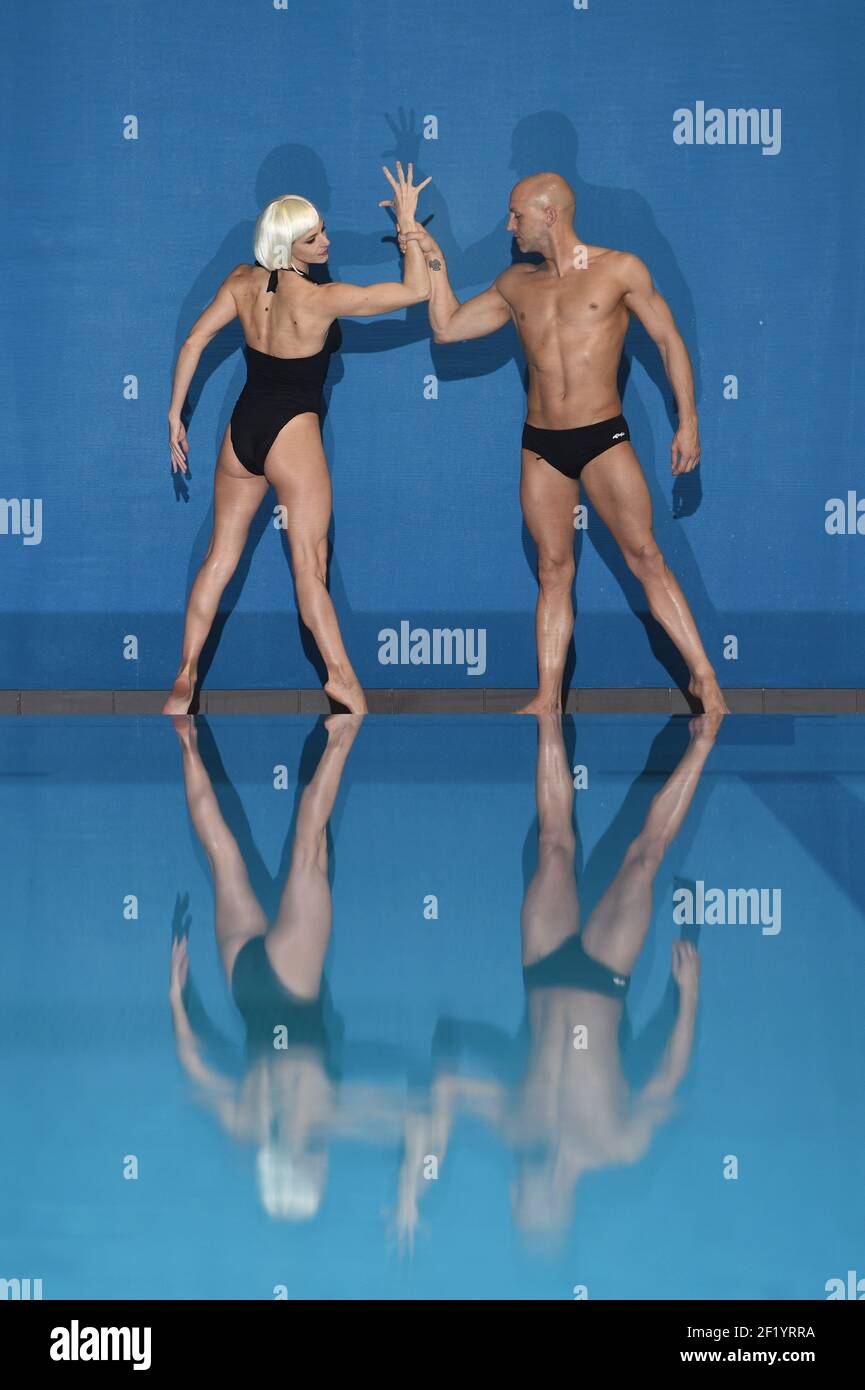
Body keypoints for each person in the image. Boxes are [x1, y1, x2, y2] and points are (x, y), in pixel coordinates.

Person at [400, 173, 729, 715]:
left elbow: (670, 341)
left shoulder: (620, 270)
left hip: (602, 436)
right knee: (553, 570)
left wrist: (687, 420)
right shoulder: (516, 284)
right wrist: (428, 249)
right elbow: (448, 327)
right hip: (542, 445)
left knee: (646, 556)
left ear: (549, 213)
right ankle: (548, 698)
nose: (509, 225)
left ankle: (706, 681)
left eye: (516, 215)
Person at [163, 162, 431, 715]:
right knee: (310, 565)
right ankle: (343, 681)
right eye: (314, 238)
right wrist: (407, 223)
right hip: (292, 434)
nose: (327, 242)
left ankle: (185, 675)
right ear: (288, 246)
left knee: (218, 559)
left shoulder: (240, 282)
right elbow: (416, 288)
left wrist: (175, 413)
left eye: (324, 231)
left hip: (242, 432)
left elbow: (193, 341)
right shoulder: (321, 299)